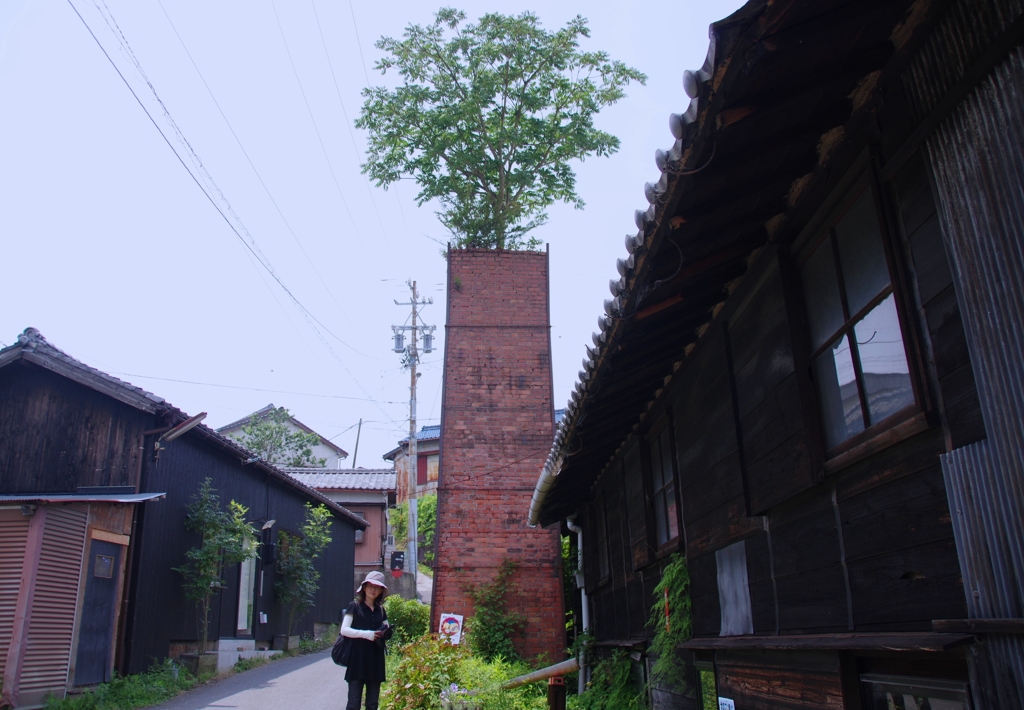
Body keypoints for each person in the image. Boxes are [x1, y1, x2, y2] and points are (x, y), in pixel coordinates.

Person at [340, 570, 393, 710]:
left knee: (372, 703)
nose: (373, 590)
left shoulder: (381, 610)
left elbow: (386, 629)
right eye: (370, 586)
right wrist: (368, 634)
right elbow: (344, 630)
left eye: (377, 587)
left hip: (375, 660)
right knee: (354, 702)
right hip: (357, 659)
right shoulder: (355, 606)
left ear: (381, 590)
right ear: (364, 587)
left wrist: (386, 633)